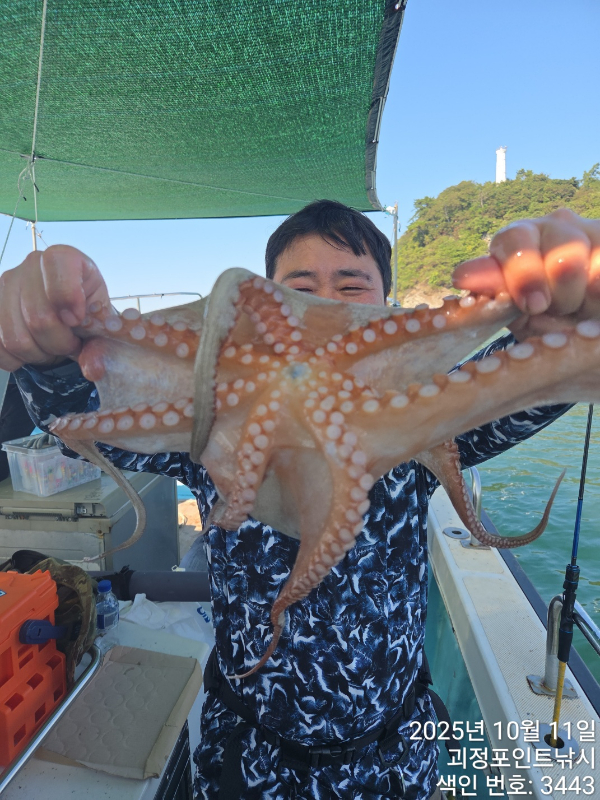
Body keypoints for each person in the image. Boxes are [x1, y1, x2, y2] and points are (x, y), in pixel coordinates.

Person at [0, 201, 598, 800]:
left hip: (392, 756)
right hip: (249, 758)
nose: (327, 306)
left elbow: (530, 382)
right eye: (300, 289)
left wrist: (563, 317)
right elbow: (81, 418)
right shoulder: (213, 435)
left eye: (352, 286)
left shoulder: (414, 434)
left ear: (387, 304)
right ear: (266, 307)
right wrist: (49, 351)